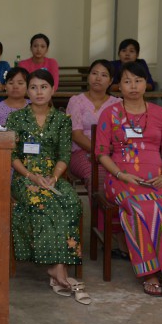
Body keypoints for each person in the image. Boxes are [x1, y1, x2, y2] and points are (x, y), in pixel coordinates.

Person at [95, 62, 162, 297]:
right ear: (118, 86)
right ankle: (149, 271)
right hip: (120, 179)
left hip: (157, 180)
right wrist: (120, 174)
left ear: (145, 84)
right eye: (127, 81)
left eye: (138, 80)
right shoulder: (110, 114)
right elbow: (100, 153)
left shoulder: (161, 114)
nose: (133, 86)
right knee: (141, 207)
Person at [6, 69, 90, 305]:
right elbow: (12, 155)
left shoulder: (62, 120)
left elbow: (64, 155)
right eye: (33, 87)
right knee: (43, 202)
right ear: (27, 90)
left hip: (53, 177)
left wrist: (53, 178)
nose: (38, 92)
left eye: (44, 87)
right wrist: (32, 176)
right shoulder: (16, 118)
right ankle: (58, 271)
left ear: (52, 89)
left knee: (71, 202)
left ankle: (58, 268)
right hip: (25, 177)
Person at [65, 59, 122, 255]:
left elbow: (120, 136)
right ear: (88, 76)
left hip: (111, 154)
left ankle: (121, 230)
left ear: (111, 81)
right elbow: (76, 134)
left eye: (104, 75)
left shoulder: (118, 104)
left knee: (120, 177)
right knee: (96, 176)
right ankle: (105, 232)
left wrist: (107, 154)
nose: (98, 78)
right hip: (81, 152)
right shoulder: (76, 101)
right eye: (94, 73)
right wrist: (99, 153)